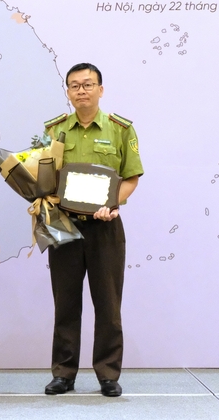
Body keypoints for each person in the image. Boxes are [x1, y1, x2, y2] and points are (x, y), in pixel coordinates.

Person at [42, 63, 144, 397]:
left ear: (101, 89)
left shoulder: (120, 130)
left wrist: (112, 203)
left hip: (106, 228)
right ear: (68, 92)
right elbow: (42, 177)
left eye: (88, 84)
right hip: (64, 225)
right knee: (65, 303)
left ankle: (108, 374)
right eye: (74, 86)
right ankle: (64, 373)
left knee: (108, 303)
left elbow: (131, 177)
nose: (81, 91)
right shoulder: (54, 130)